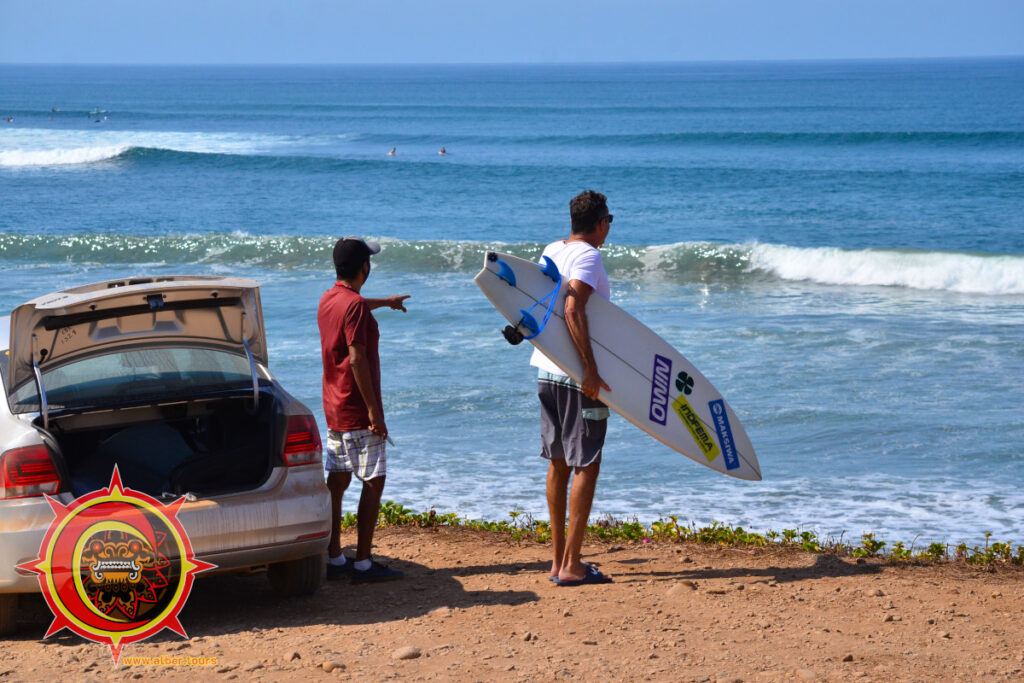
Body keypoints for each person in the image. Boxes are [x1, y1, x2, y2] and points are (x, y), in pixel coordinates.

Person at [530, 190, 615, 587]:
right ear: (600, 224)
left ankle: (557, 561)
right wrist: (590, 370)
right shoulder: (590, 256)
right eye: (609, 222)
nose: (609, 229)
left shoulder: (551, 250)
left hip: (546, 370)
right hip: (574, 378)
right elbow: (571, 308)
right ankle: (572, 565)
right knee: (587, 462)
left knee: (559, 463)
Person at [318, 236, 410, 583]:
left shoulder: (330, 299)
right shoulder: (353, 306)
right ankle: (363, 562)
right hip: (357, 408)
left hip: (334, 406)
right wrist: (375, 413)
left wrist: (385, 303)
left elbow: (351, 307)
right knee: (374, 481)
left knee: (338, 481)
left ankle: (334, 556)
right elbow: (357, 359)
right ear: (363, 268)